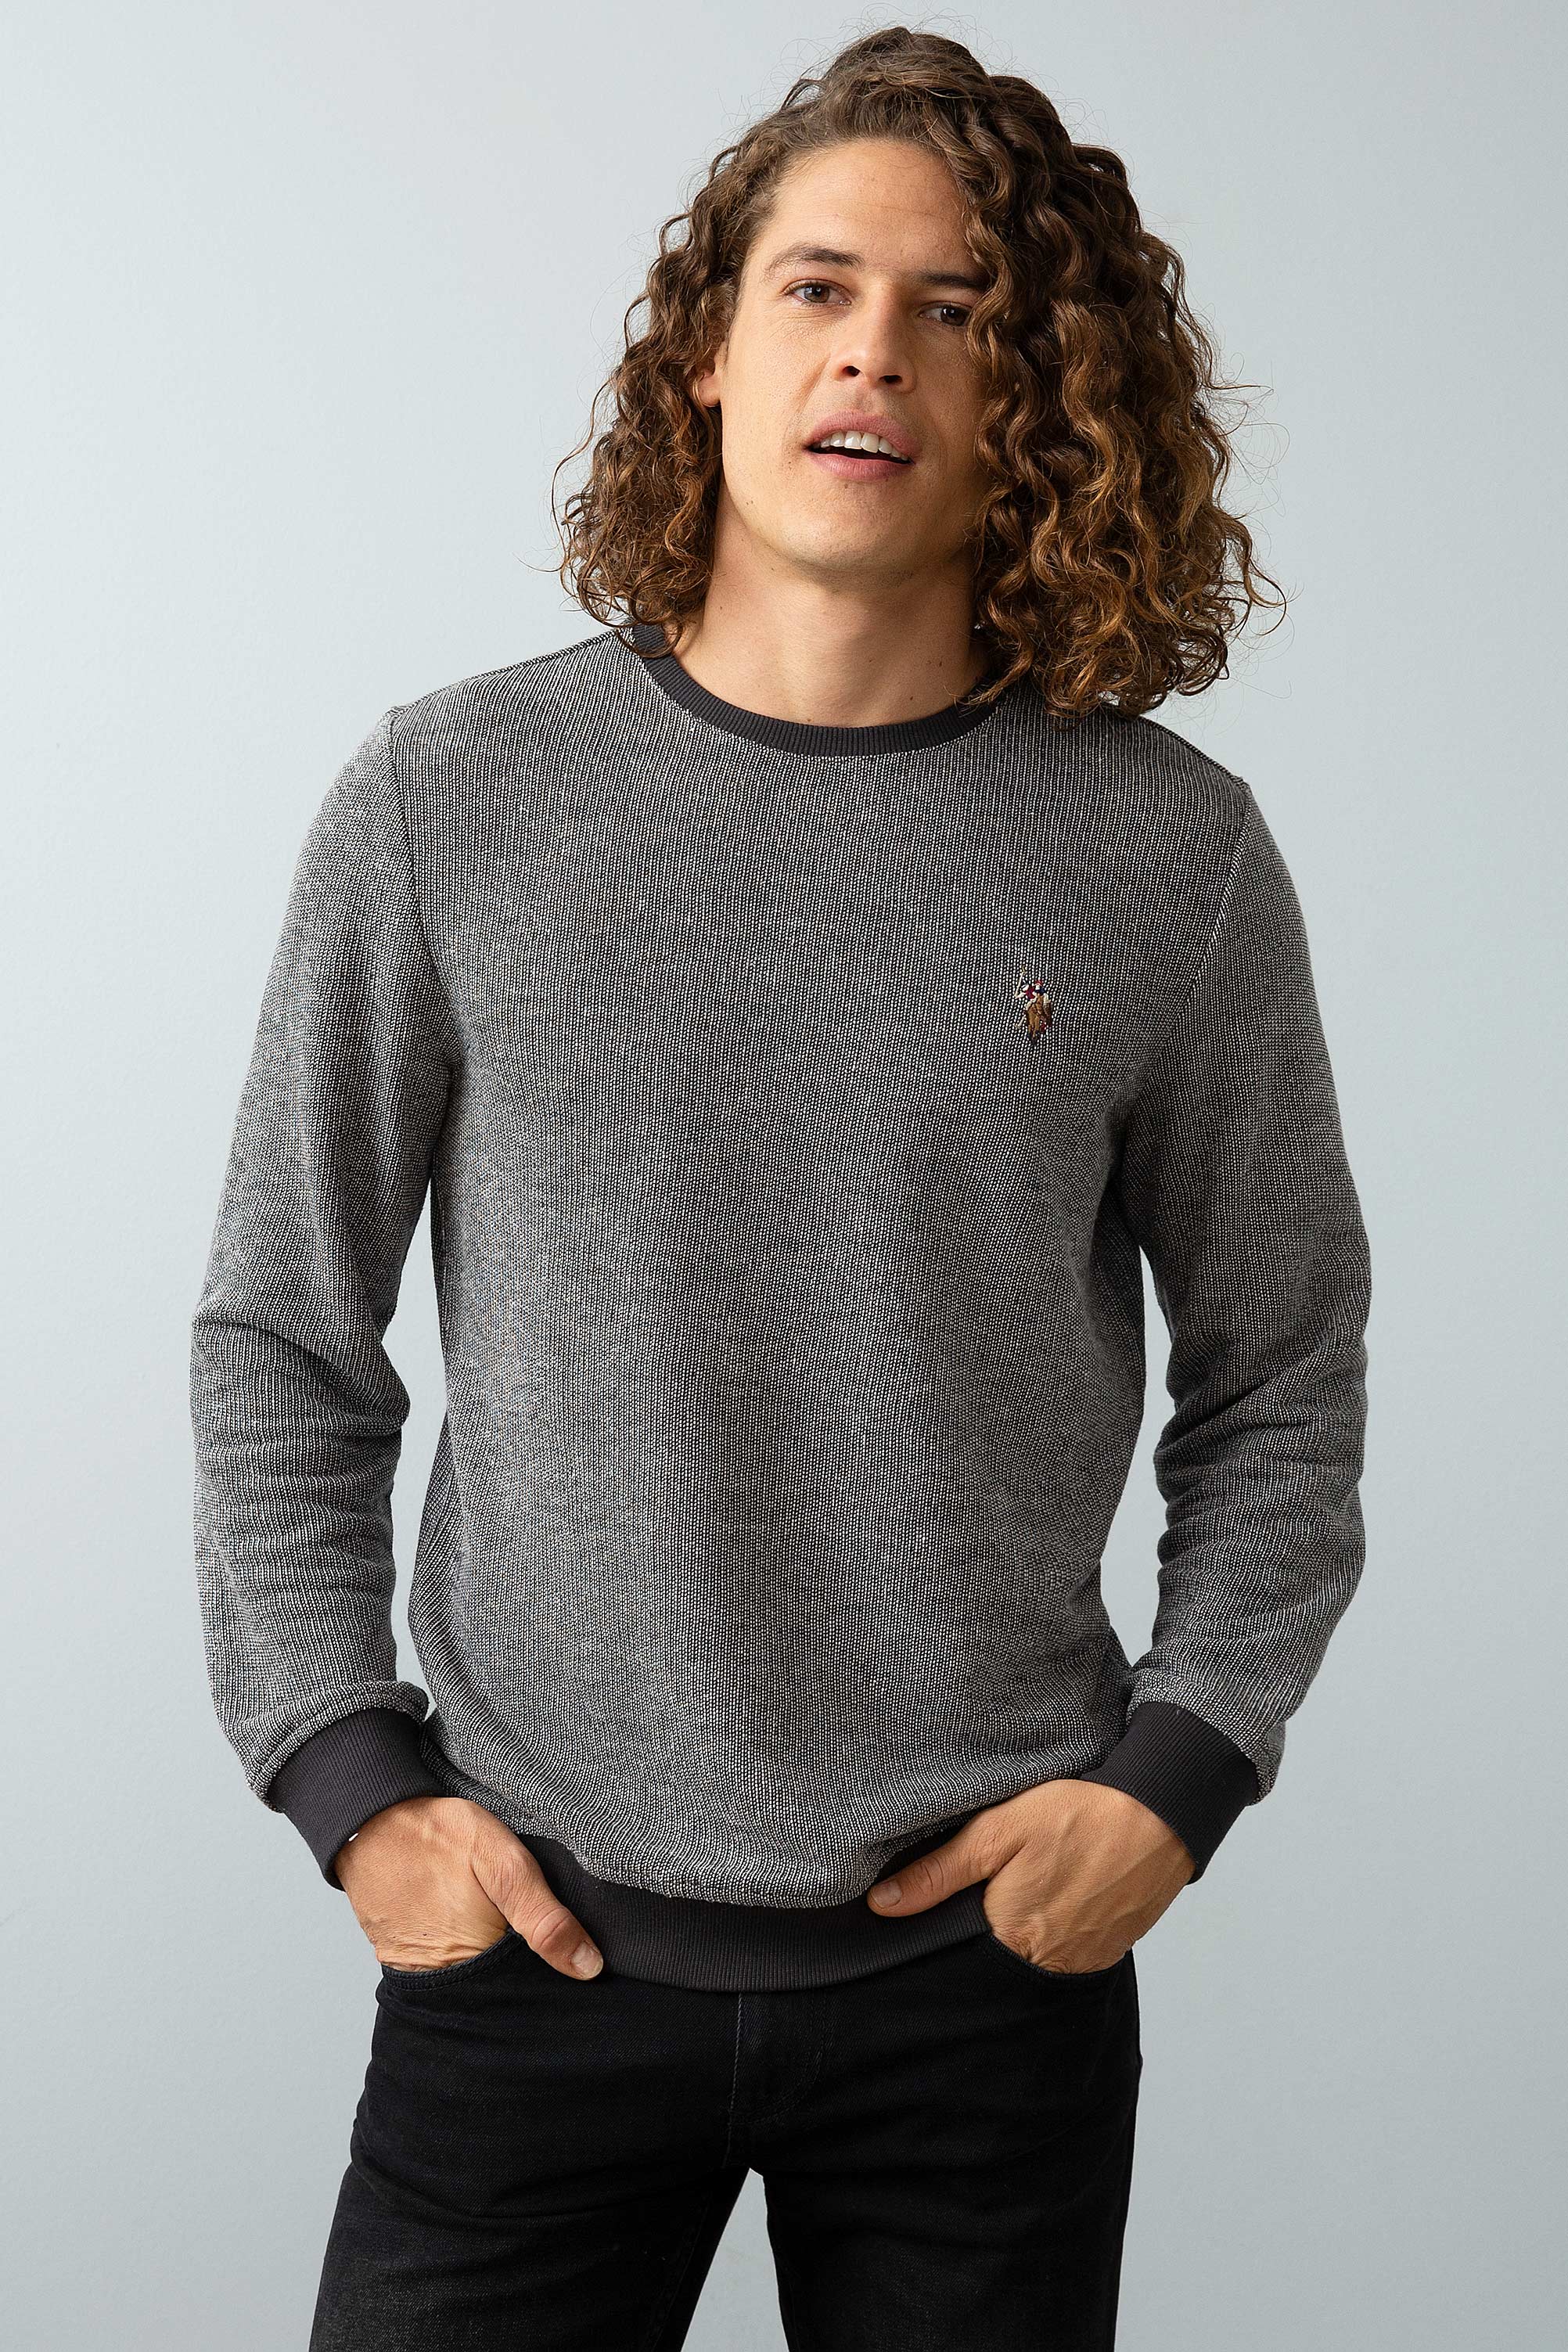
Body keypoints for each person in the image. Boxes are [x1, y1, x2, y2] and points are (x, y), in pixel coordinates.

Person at [189, 27, 1372, 2350]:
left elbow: (1286, 1369)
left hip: (981, 1982)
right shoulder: (453, 798)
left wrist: (1178, 1775)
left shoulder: (1168, 855)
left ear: (1041, 401)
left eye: (959, 310)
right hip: (528, 1950)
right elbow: (278, 1336)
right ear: (707, 358)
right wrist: (346, 1776)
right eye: (817, 287)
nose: (874, 352)